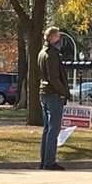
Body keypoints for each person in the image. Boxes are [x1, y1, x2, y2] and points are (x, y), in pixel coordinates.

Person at [37, 26, 71, 170]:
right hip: (53, 94)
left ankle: (44, 161)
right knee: (53, 128)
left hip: (44, 93)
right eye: (57, 37)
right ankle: (49, 162)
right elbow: (53, 77)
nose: (59, 39)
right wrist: (63, 92)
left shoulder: (42, 53)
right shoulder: (51, 55)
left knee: (47, 128)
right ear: (52, 38)